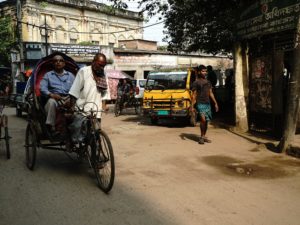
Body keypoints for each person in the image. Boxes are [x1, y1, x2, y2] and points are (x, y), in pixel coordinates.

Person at [40, 54, 75, 134]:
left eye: (60, 61)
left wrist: (72, 100)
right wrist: (51, 95)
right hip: (54, 98)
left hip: (68, 97)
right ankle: (51, 126)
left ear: (64, 63)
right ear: (53, 64)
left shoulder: (70, 76)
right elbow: (43, 88)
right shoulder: (48, 75)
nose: (58, 62)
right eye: (55, 61)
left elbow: (76, 89)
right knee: (51, 102)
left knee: (79, 103)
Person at [69, 53, 110, 120]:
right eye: (100, 65)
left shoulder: (103, 74)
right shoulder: (84, 71)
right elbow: (74, 91)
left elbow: (105, 93)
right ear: (93, 62)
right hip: (82, 110)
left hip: (96, 111)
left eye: (103, 66)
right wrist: (72, 107)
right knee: (78, 128)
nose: (102, 68)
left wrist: (104, 106)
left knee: (96, 129)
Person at [191, 65, 219, 144]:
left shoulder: (208, 82)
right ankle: (201, 137)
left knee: (206, 121)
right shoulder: (196, 83)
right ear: (199, 72)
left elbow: (211, 93)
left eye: (205, 71)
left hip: (207, 103)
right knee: (203, 120)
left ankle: (203, 136)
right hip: (200, 103)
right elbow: (194, 95)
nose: (205, 73)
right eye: (203, 71)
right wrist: (192, 106)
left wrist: (216, 103)